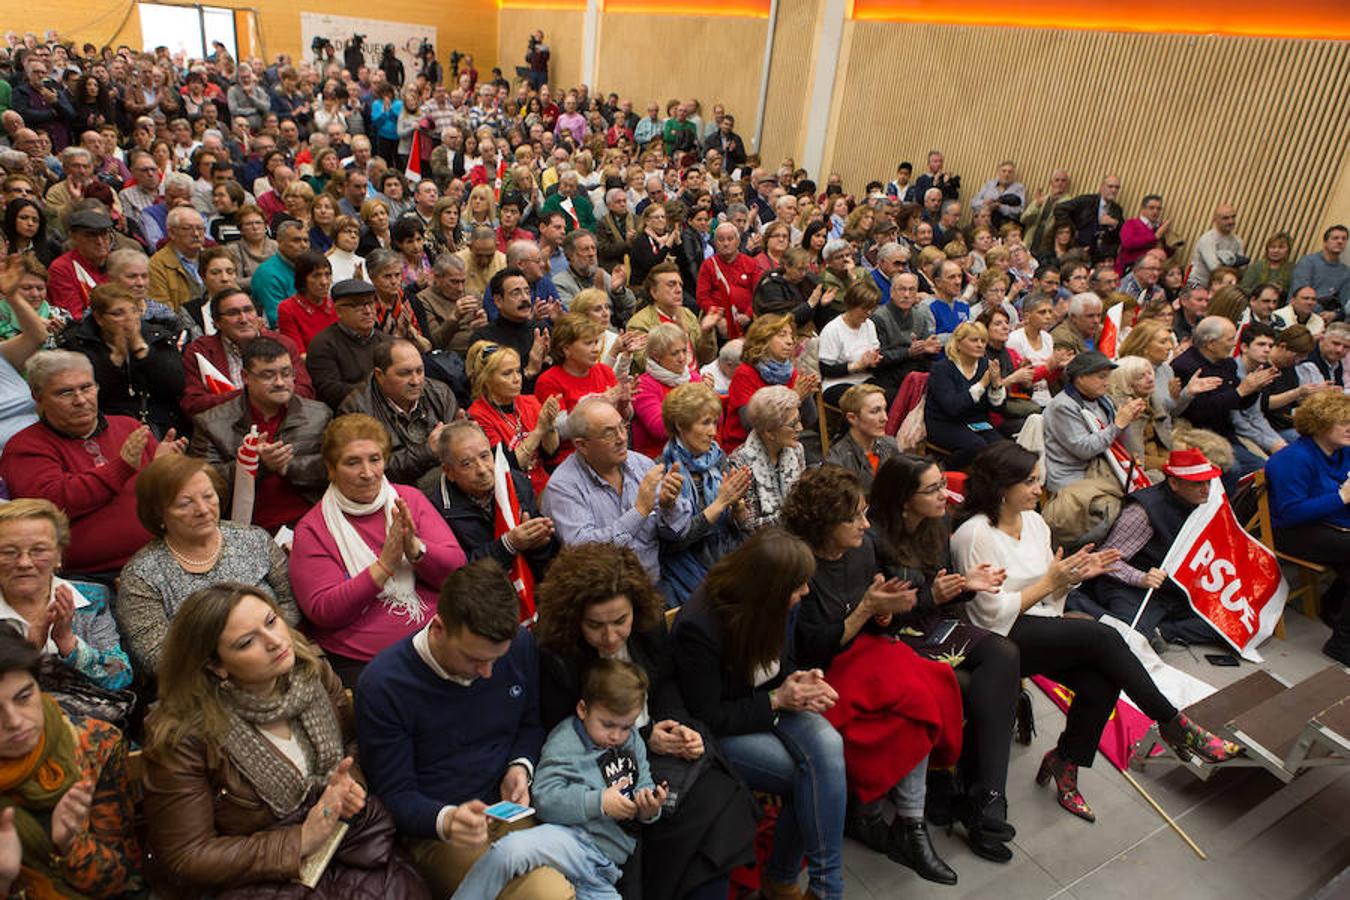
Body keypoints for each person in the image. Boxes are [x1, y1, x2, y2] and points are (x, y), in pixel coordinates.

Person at [951, 442, 1240, 821]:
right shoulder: (974, 535)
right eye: (1030, 482)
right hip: (993, 641)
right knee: (1102, 637)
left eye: (1039, 480)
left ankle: (1065, 761)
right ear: (1002, 487)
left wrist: (1069, 580)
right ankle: (1173, 723)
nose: (1040, 489)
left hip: (1035, 622)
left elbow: (1050, 600)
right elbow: (988, 616)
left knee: (1101, 680)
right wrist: (1050, 583)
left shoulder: (1035, 523)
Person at [142, 583, 429, 897]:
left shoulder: (311, 671)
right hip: (255, 881)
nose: (275, 640)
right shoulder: (182, 735)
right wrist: (300, 840)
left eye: (270, 621)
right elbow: (188, 855)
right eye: (247, 642)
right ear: (216, 666)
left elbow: (351, 746)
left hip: (344, 844)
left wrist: (349, 788)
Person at [780, 468, 963, 882]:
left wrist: (882, 613)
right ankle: (895, 821)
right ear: (827, 525)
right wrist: (865, 610)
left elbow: (874, 617)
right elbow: (810, 648)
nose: (866, 524)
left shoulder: (861, 550)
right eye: (856, 518)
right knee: (914, 701)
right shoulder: (800, 564)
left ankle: (907, 821)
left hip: (865, 654)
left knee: (930, 687)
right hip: (821, 672)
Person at [356, 559, 573, 899]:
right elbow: (394, 795)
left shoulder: (519, 647)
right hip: (437, 832)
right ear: (439, 628)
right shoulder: (384, 685)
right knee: (548, 893)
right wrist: (447, 819)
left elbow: (530, 725)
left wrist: (519, 766)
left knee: (592, 869)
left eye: (496, 659)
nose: (487, 673)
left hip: (510, 811)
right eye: (474, 659)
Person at [671, 528, 847, 900]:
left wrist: (799, 678)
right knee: (810, 777)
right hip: (725, 731)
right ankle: (786, 880)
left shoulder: (777, 605)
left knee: (829, 747)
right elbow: (709, 716)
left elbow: (780, 663)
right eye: (798, 587)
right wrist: (778, 700)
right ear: (770, 589)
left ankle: (824, 887)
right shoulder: (699, 626)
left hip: (769, 704)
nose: (805, 594)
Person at [867, 454, 1020, 859]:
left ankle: (987, 797)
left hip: (934, 623)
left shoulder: (939, 524)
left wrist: (967, 588)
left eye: (942, 485)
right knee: (969, 685)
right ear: (903, 498)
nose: (945, 494)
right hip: (893, 635)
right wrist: (934, 595)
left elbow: (947, 588)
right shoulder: (872, 538)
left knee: (1003, 654)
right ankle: (957, 795)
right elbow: (879, 614)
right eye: (933, 489)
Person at [290, 414, 466, 686]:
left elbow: (456, 570)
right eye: (352, 462)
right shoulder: (313, 529)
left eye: (375, 459)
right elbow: (324, 610)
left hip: (436, 637)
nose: (368, 472)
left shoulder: (409, 499)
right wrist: (384, 567)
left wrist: (416, 549)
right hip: (364, 662)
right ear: (331, 468)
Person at [1, 350, 186, 575]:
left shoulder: (129, 427)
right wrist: (121, 467)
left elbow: (165, 500)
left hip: (163, 558)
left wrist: (164, 470)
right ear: (37, 397)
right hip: (92, 576)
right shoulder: (25, 446)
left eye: (86, 388)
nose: (80, 400)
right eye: (65, 392)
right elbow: (52, 502)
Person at [116, 452, 298, 677]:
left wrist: (274, 644)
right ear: (158, 514)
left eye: (209, 496)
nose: (203, 510)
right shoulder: (142, 575)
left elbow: (290, 601)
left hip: (282, 657)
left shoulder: (254, 539)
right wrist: (236, 662)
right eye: (185, 503)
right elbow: (157, 657)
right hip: (203, 686)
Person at [0, 628, 144, 897]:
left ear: (39, 688)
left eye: (24, 697)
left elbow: (125, 881)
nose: (15, 721)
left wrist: (71, 845)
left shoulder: (95, 744)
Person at [1074, 448, 1229, 646]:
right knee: (1129, 638)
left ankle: (1162, 631)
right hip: (1129, 587)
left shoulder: (1204, 504)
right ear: (1174, 483)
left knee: (1227, 624)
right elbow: (1107, 559)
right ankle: (1075, 601)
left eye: (1209, 482)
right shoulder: (1144, 511)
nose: (1206, 489)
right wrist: (1142, 578)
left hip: (1171, 590)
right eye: (1198, 483)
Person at [188, 334, 331, 531]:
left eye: (287, 373)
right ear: (245, 377)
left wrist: (287, 467)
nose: (281, 382)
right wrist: (255, 465)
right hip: (246, 529)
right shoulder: (211, 422)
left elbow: (334, 466)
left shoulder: (319, 414)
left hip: (313, 521)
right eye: (268, 375)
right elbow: (204, 482)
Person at [541, 396, 692, 581]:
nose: (622, 438)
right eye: (609, 433)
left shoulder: (642, 465)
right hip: (600, 596)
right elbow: (585, 554)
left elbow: (678, 533)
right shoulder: (563, 487)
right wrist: (639, 512)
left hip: (652, 587)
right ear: (582, 445)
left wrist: (669, 506)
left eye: (622, 427)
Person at [0, 498, 132, 691]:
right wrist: (27, 652)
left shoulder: (90, 598)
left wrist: (69, 643)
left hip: (86, 717)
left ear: (59, 555)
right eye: (9, 552)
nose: (24, 563)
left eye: (38, 550)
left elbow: (121, 676)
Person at [1265, 390, 1350, 664]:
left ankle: (1335, 610)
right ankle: (1342, 640)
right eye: (1344, 422)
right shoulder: (1294, 458)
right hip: (1293, 531)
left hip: (1329, 522)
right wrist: (1341, 497)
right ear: (1320, 424)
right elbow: (1290, 513)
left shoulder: (1341, 452)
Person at [426, 420, 557, 588]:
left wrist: (540, 545)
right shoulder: (436, 510)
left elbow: (544, 563)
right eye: (467, 464)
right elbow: (458, 575)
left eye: (485, 456)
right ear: (448, 472)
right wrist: (508, 544)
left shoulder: (516, 482)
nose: (481, 469)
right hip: (482, 598)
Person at [655, 383, 751, 606]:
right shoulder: (665, 470)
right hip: (688, 562)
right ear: (680, 425)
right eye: (705, 423)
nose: (713, 432)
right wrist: (720, 503)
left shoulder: (717, 458)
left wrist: (737, 507)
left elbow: (744, 528)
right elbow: (674, 543)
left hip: (728, 551)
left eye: (715, 423)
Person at [1040, 351, 1148, 547]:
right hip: (1075, 475)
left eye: (1108, 376)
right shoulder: (1062, 407)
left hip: (1103, 468)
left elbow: (1117, 440)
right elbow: (1084, 449)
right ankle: (1098, 553)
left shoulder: (1103, 400)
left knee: (1149, 490)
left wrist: (1131, 419)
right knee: (1116, 510)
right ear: (1081, 377)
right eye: (1101, 377)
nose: (1107, 382)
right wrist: (1118, 425)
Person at [58, 282, 187, 439]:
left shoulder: (158, 336)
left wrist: (141, 349)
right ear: (99, 318)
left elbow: (176, 385)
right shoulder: (77, 343)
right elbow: (90, 395)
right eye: (118, 313)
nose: (130, 319)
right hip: (104, 423)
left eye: (134, 311)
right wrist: (116, 358)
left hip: (159, 422)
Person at [1170, 316, 1277, 482]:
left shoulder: (1227, 364)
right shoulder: (1185, 366)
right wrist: (1240, 391)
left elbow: (1238, 404)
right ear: (1211, 344)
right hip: (1196, 435)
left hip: (1226, 434)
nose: (1234, 344)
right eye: (1230, 339)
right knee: (1232, 470)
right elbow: (1197, 413)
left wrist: (1254, 389)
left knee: (1262, 468)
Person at [339, 338, 459, 486]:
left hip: (446, 481)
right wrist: (426, 451)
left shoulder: (440, 393)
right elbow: (370, 470)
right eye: (405, 373)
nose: (416, 381)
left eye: (420, 371)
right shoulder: (355, 410)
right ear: (379, 375)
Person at [180, 286, 314, 417]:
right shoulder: (200, 351)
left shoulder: (283, 344)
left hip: (280, 421)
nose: (243, 319)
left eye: (248, 310)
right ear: (217, 322)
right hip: (225, 427)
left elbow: (305, 391)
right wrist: (249, 395)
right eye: (233, 313)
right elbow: (193, 404)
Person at [465, 340, 562, 496]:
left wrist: (549, 425)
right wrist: (538, 431)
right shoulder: (478, 415)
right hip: (512, 492)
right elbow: (507, 465)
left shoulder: (530, 402)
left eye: (517, 371)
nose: (517, 378)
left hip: (544, 486)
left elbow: (551, 454)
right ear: (487, 380)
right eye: (507, 373)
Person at [721, 313, 819, 453]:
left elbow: (810, 419)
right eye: (782, 335)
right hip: (747, 448)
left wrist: (806, 394)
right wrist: (794, 397)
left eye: (791, 335)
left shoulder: (791, 372)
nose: (790, 341)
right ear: (763, 339)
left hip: (781, 444)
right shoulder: (745, 373)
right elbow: (751, 425)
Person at [924, 320, 1007, 468]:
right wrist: (981, 384)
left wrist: (996, 385)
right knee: (975, 446)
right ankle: (943, 472)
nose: (980, 345)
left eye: (983, 341)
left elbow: (999, 409)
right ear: (958, 343)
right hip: (944, 423)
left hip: (977, 422)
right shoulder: (942, 369)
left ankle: (988, 486)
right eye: (974, 340)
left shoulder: (985, 366)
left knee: (1003, 449)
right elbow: (952, 407)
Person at [307, 278, 396, 409]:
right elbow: (330, 391)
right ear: (338, 311)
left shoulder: (387, 341)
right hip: (349, 413)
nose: (368, 311)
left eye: (370, 303)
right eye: (357, 306)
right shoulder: (323, 344)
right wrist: (381, 389)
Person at [728, 385, 807, 530]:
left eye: (799, 419)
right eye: (792, 424)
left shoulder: (796, 450)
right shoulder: (740, 463)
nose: (800, 428)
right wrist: (796, 514)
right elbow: (748, 527)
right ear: (769, 432)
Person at [626, 262, 719, 373]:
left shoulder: (687, 314)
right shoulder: (639, 323)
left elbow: (706, 358)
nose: (679, 290)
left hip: (695, 381)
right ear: (654, 292)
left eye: (680, 285)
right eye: (671, 285)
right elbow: (646, 364)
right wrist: (680, 334)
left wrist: (706, 332)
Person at [0, 254, 50, 450]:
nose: (35, 293)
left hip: (37, 445)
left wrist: (13, 296)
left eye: (39, 288)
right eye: (27, 288)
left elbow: (37, 337)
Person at [825, 384, 900, 493]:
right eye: (875, 411)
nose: (885, 418)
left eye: (885, 410)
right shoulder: (837, 461)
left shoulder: (890, 445)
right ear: (852, 418)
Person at [276, 249, 338, 353]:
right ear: (302, 279)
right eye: (316, 276)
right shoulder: (288, 308)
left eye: (327, 275)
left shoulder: (336, 304)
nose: (324, 282)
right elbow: (297, 354)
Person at [250, 219, 309, 327]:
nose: (303, 245)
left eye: (306, 240)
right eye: (296, 240)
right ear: (279, 241)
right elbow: (277, 319)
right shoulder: (267, 274)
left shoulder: (307, 267)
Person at [1289, 224, 1348, 317]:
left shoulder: (1346, 272)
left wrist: (1334, 314)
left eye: (1344, 239)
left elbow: (1344, 303)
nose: (1340, 241)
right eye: (1335, 238)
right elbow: (1299, 295)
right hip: (1297, 315)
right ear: (1325, 242)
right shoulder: (1308, 262)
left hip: (1325, 320)